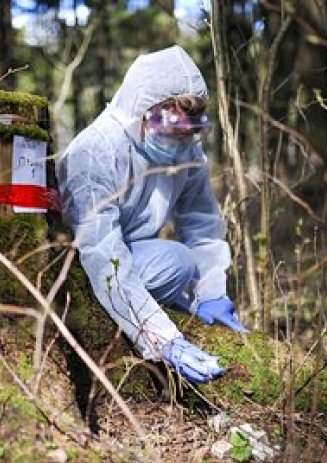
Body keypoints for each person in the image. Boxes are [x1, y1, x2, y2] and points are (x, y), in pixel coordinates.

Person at [56, 45, 248, 385]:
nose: (177, 139)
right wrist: (160, 338)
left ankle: (145, 308)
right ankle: (114, 315)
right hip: (77, 267)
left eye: (187, 129)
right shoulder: (95, 151)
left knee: (178, 260)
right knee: (176, 260)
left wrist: (212, 290)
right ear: (140, 111)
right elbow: (102, 252)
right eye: (169, 126)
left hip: (132, 255)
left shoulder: (187, 151)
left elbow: (201, 223)